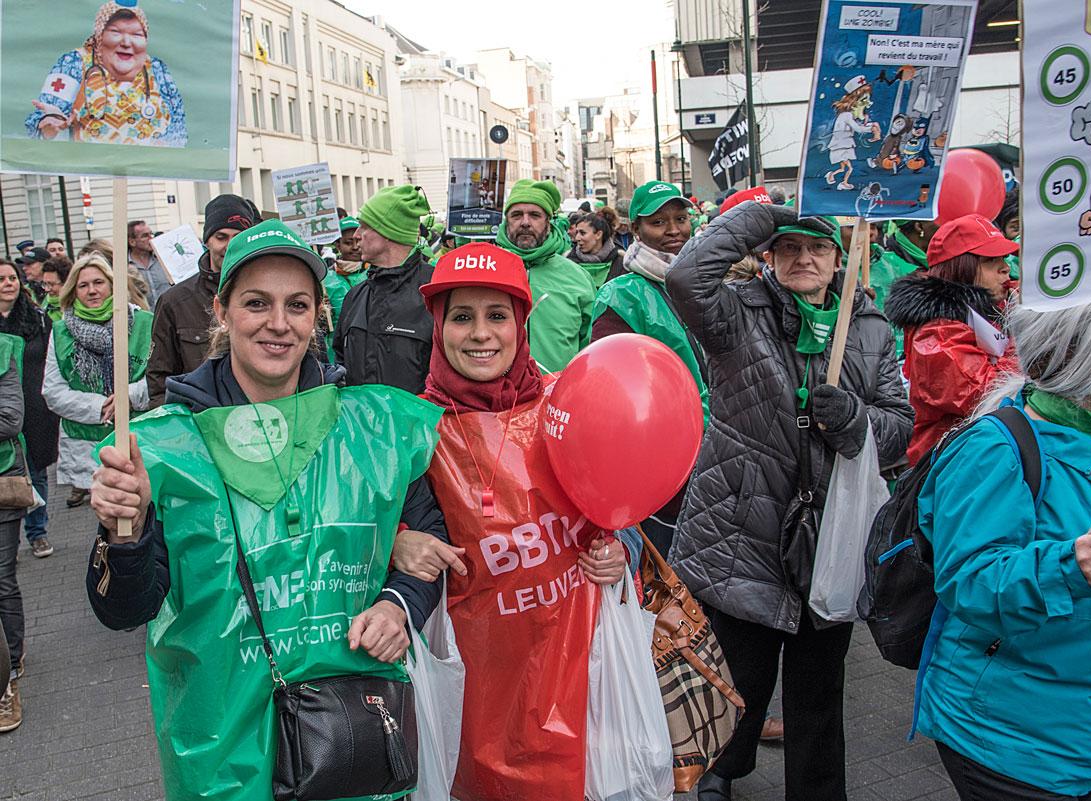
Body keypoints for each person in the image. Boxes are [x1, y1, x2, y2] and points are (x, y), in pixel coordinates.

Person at [85, 219, 448, 801]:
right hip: (220, 748)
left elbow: (431, 539)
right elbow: (125, 610)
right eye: (257, 303)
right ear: (223, 311)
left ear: (316, 316)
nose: (279, 324)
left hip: (350, 737)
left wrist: (397, 604)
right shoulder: (160, 449)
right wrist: (121, 533)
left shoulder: (372, 428)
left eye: (297, 305)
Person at [666, 203, 912, 801]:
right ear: (770, 257)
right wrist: (770, 212)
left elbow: (900, 425)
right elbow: (684, 276)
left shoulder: (871, 329)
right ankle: (720, 772)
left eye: (819, 248)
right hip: (741, 532)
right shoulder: (735, 313)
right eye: (789, 247)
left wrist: (856, 421)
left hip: (828, 538)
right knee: (738, 679)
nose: (804, 259)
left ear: (840, 260)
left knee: (819, 689)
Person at [917, 291, 1091, 800]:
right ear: (1072, 346)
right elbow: (971, 583)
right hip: (1017, 741)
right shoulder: (995, 447)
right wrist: (1066, 566)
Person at [391, 242, 628, 801]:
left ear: (522, 324)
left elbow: (617, 512)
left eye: (497, 316)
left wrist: (620, 554)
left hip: (578, 675)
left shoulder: (568, 406)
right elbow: (366, 528)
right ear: (438, 326)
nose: (480, 334)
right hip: (478, 688)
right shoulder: (409, 430)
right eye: (462, 317)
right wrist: (397, 545)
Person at [591, 181, 706, 554]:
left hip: (722, 450)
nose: (673, 230)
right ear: (635, 230)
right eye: (658, 222)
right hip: (668, 461)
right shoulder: (621, 295)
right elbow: (613, 389)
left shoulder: (711, 281)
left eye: (680, 218)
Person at [884, 214, 1020, 466]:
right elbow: (989, 396)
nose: (1006, 268)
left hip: (987, 455)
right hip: (953, 465)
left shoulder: (993, 308)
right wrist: (1025, 331)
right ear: (961, 267)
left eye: (1003, 258)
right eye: (991, 260)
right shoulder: (935, 333)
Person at [43, 254, 152, 508]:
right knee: (106, 511)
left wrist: (129, 396)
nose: (92, 291)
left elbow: (161, 377)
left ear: (112, 284)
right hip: (85, 442)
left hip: (140, 436)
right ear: (73, 291)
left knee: (144, 509)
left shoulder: (143, 322)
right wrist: (102, 406)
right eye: (83, 285)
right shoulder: (60, 332)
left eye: (98, 282)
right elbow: (53, 391)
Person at [147, 195, 259, 407]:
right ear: (207, 240)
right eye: (221, 236)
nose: (230, 245)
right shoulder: (175, 302)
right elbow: (160, 380)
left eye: (239, 236)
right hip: (199, 422)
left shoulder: (269, 294)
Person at [26, 0, 186, 147]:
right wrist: (51, 125)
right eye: (116, 32)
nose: (126, 43)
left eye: (136, 35)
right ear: (100, 35)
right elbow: (50, 114)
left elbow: (178, 126)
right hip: (92, 169)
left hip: (147, 170)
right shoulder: (74, 62)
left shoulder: (157, 69)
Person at [333, 185, 436, 394]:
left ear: (388, 231)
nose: (356, 235)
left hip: (419, 425)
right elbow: (341, 364)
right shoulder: (356, 295)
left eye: (364, 226)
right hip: (359, 424)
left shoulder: (435, 291)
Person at [496, 179, 595, 372]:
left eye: (535, 215)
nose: (525, 222)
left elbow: (590, 346)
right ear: (506, 221)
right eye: (516, 215)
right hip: (497, 398)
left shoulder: (577, 277)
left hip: (559, 396)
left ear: (548, 222)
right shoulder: (487, 270)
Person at [0, 261, 58, 558]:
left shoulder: (37, 318)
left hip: (35, 407)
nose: (8, 283)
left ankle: (38, 532)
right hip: (4, 411)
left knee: (36, 472)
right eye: (1, 279)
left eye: (12, 277)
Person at [0, 331, 27, 732]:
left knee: (1, 578)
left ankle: (8, 678)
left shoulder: (4, 349)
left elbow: (10, 418)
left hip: (3, 478)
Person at [567, 211, 626, 291]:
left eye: (582, 233)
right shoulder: (569, 262)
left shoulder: (621, 262)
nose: (577, 238)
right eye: (577, 232)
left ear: (598, 234)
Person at [127, 220, 171, 308]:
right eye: (145, 236)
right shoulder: (126, 268)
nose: (151, 239)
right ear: (132, 242)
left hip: (169, 317)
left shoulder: (164, 260)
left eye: (151, 234)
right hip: (144, 319)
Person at [39, 256, 70, 321]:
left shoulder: (77, 309)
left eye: (51, 284)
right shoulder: (45, 304)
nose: (46, 289)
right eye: (45, 284)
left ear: (66, 283)